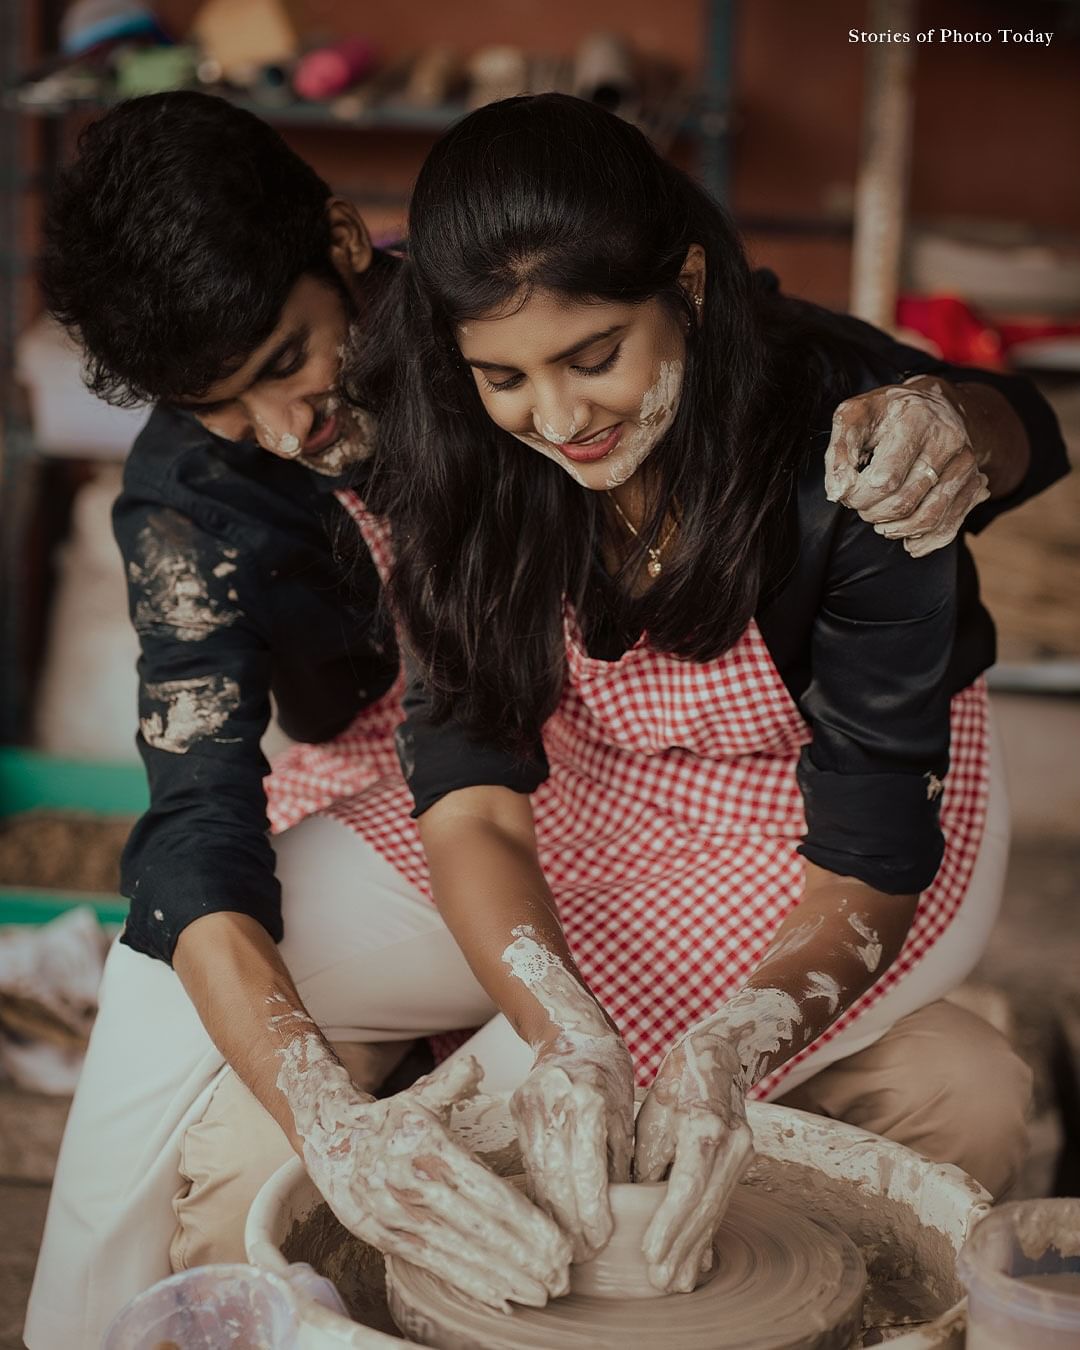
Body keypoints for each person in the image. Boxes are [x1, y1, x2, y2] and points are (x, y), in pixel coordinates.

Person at [24, 90, 1063, 1347]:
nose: (285, 430)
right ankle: (86, 1328)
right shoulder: (263, 483)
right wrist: (335, 1121)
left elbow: (886, 392)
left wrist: (972, 427)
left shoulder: (523, 341)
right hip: (497, 765)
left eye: (291, 361)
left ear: (349, 249)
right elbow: (232, 831)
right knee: (179, 991)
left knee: (621, 1107)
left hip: (748, 787)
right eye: (224, 406)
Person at [353, 93, 1069, 1290]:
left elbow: (869, 839)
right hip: (600, 797)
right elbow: (471, 786)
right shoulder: (455, 450)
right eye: (506, 376)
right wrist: (558, 1026)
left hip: (815, 831)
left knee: (933, 1092)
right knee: (499, 1091)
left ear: (683, 285)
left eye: (595, 357)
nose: (562, 417)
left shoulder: (848, 451)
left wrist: (732, 1049)